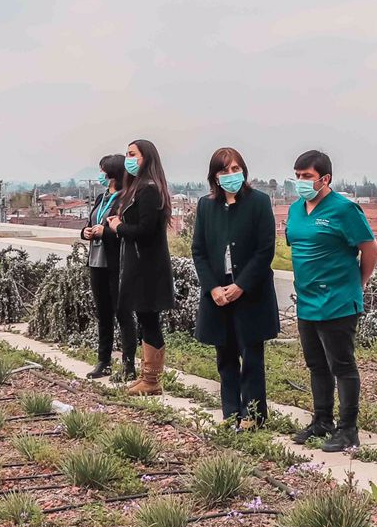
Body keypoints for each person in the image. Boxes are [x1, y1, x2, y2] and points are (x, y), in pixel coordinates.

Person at [286, 149, 377, 453]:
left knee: (342, 365)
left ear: (324, 178)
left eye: (307, 177)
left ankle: (348, 429)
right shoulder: (296, 210)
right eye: (298, 176)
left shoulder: (344, 210)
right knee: (316, 364)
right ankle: (322, 420)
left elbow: (371, 250)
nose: (301, 181)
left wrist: (357, 284)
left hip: (337, 301)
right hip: (307, 301)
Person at [191, 147, 280, 428]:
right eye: (224, 170)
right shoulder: (207, 206)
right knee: (225, 355)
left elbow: (265, 250)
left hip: (250, 292)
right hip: (219, 294)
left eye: (235, 169)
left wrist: (241, 285)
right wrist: (213, 287)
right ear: (214, 176)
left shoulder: (259, 202)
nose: (231, 175)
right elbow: (199, 251)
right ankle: (231, 413)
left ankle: (253, 415)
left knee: (251, 356)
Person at [109, 139, 175, 397]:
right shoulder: (138, 188)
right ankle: (147, 376)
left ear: (146, 158)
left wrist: (118, 227)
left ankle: (152, 379)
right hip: (139, 265)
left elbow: (146, 231)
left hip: (149, 268)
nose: (128, 158)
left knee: (150, 320)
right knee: (146, 319)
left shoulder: (149, 189)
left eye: (132, 154)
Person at [81, 153, 133, 381]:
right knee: (103, 314)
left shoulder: (126, 199)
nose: (101, 175)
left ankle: (129, 365)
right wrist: (85, 232)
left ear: (113, 174)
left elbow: (127, 231)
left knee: (123, 313)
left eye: (103, 171)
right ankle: (104, 361)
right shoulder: (102, 198)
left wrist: (107, 232)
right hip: (96, 261)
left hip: (116, 263)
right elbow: (91, 222)